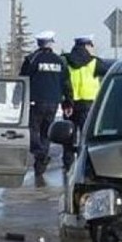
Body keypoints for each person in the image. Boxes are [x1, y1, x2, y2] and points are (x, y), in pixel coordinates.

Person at [18, 30, 73, 176]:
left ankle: (40, 154)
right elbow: (66, 83)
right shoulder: (59, 61)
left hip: (36, 101)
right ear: (50, 43)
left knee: (33, 130)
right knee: (46, 132)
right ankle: (40, 165)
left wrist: (18, 98)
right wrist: (68, 102)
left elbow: (22, 80)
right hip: (53, 102)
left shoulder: (32, 59)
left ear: (38, 43)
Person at [61, 34, 111, 170]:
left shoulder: (65, 60)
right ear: (86, 46)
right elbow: (111, 73)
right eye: (91, 46)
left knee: (67, 135)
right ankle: (85, 164)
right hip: (89, 105)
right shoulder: (94, 62)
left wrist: (66, 101)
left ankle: (68, 163)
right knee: (86, 136)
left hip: (69, 104)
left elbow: (62, 81)